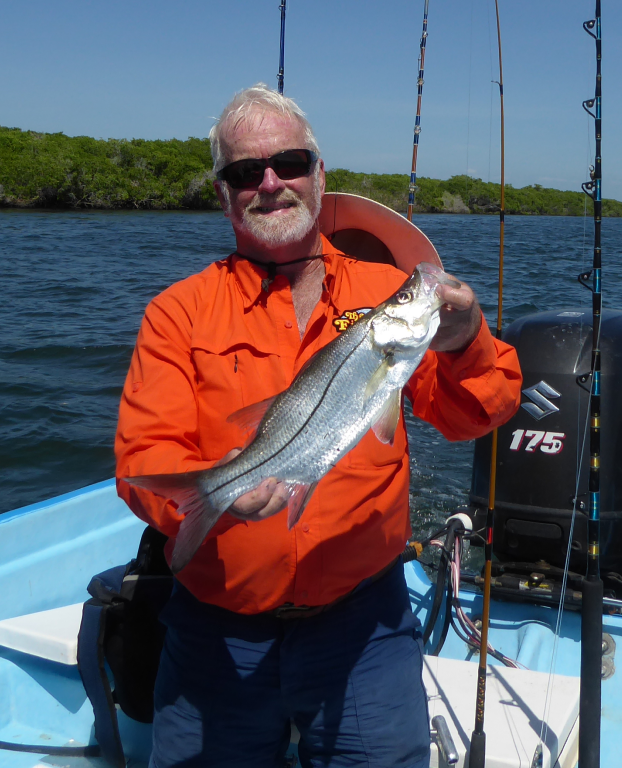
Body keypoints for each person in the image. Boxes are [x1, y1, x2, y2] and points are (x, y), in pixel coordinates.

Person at [115, 84, 522, 768]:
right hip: (217, 634)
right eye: (246, 172)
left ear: (320, 175)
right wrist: (220, 496)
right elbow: (145, 457)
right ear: (224, 195)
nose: (271, 183)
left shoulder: (377, 292)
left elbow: (476, 414)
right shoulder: (177, 313)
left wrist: (464, 340)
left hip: (363, 625)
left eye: (291, 162)